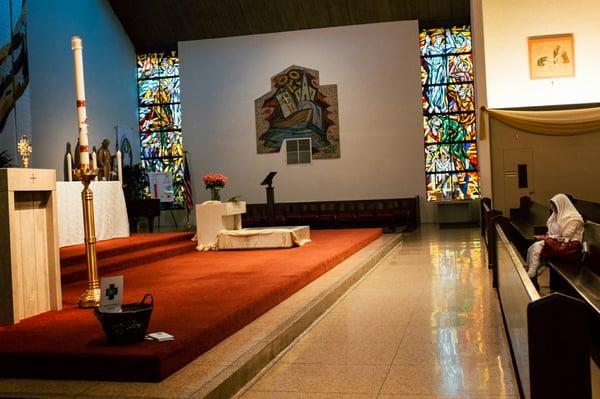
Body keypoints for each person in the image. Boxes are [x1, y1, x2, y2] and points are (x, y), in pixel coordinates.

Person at [526, 193, 584, 287]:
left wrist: (546, 238)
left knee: (538, 246)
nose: (553, 209)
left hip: (570, 249)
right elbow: (554, 233)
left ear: (561, 204)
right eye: (552, 206)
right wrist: (548, 236)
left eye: (555, 206)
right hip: (559, 246)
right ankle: (532, 274)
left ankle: (532, 273)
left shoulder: (574, 219)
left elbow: (566, 236)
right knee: (531, 248)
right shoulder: (558, 216)